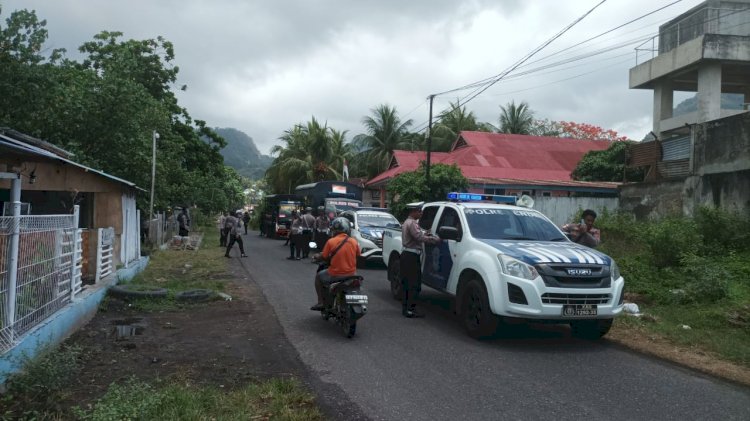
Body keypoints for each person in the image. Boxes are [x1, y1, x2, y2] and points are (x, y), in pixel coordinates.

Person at [310, 217, 361, 311]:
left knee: (318, 277)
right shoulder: (354, 241)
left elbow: (324, 256)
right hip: (352, 274)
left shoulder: (331, 241)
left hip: (335, 274)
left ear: (334, 230)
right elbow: (358, 254)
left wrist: (317, 256)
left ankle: (321, 302)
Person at [401, 202, 441, 318]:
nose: (421, 213)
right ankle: (410, 309)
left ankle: (406, 308)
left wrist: (426, 232)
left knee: (407, 283)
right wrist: (434, 239)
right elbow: (418, 237)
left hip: (407, 255)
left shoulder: (407, 222)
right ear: (413, 211)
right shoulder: (412, 223)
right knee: (414, 284)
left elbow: (419, 233)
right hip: (411, 257)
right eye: (419, 211)